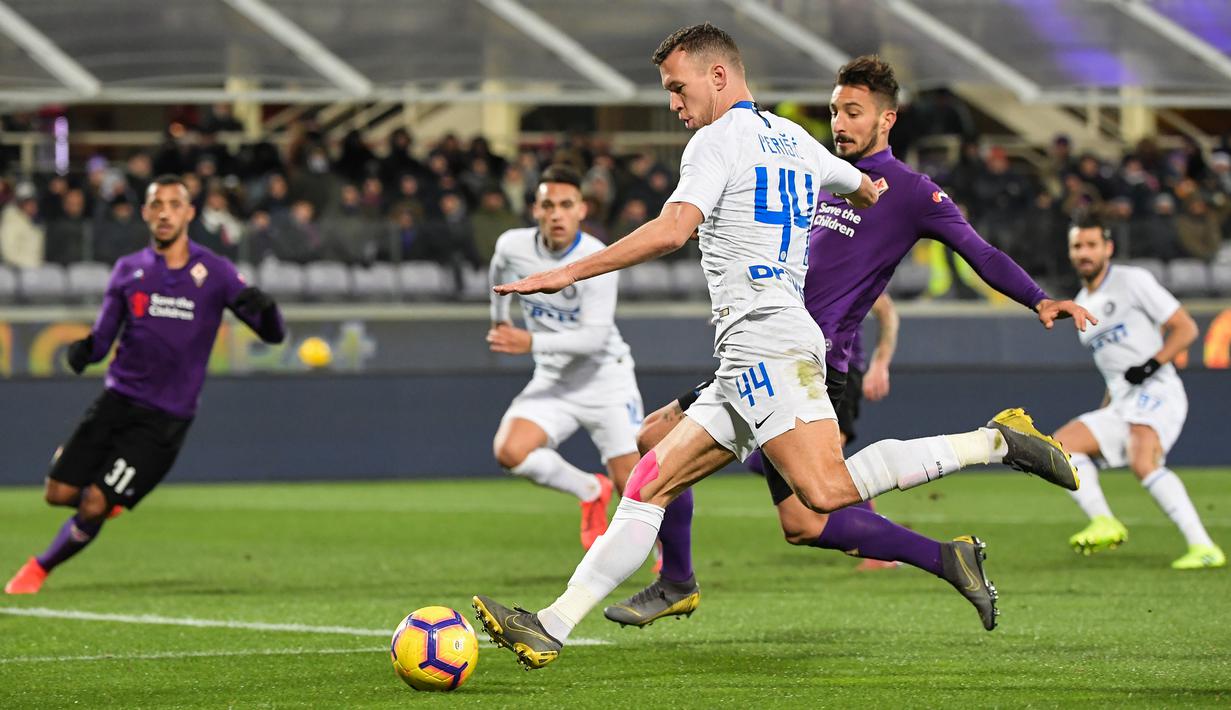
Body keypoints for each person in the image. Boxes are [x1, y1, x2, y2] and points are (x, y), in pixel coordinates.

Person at [472, 26, 1093, 670]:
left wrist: (571, 270)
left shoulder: (716, 141)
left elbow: (673, 230)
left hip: (773, 344)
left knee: (822, 495)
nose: (675, 107)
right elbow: (860, 184)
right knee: (651, 477)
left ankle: (997, 441)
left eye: (678, 89)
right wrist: (866, 191)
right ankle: (550, 624)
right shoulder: (794, 139)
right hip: (747, 354)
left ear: (718, 76)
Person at [4, 175, 285, 595]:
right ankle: (107, 495)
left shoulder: (217, 273)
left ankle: (39, 567)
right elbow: (102, 339)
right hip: (117, 401)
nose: (165, 212)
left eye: (174, 204)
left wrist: (267, 311)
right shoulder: (129, 270)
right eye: (157, 204)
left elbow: (273, 334)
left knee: (95, 503)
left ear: (189, 213)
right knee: (58, 492)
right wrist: (83, 352)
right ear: (146, 213)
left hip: (164, 420)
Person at [488, 164, 643, 550]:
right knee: (510, 451)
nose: (556, 213)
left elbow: (595, 337)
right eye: (548, 205)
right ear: (535, 210)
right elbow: (497, 272)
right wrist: (500, 320)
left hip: (606, 379)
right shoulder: (513, 245)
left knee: (635, 484)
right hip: (555, 380)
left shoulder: (597, 258)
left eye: (566, 204)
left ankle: (666, 559)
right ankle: (590, 490)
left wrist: (529, 343)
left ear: (582, 210)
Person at [1056, 216, 1224, 569]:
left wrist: (1151, 364)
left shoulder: (1132, 281)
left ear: (1108, 249)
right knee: (1061, 446)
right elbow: (1112, 371)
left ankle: (1204, 547)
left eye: (1091, 245)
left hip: (1158, 389)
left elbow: (1185, 327)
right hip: (1122, 400)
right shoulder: (1082, 303)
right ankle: (1104, 521)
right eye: (1077, 246)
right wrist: (1107, 408)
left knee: (1142, 459)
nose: (1084, 253)